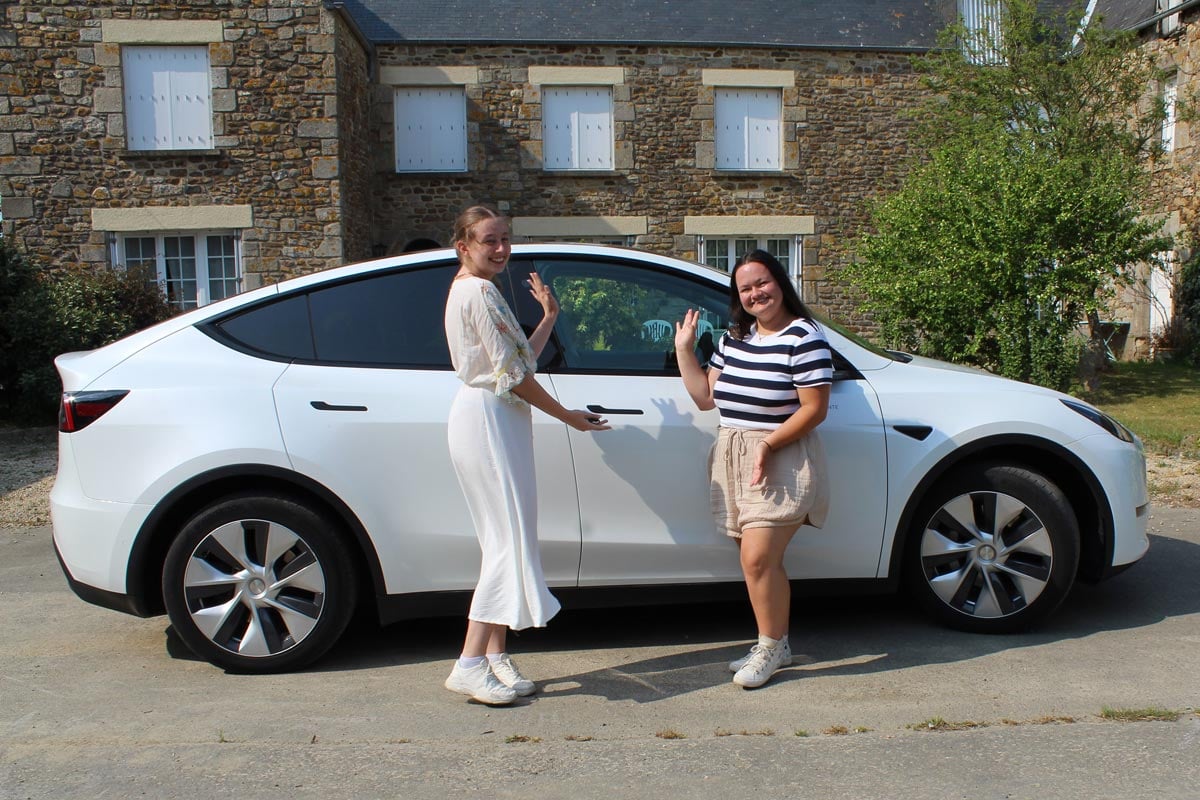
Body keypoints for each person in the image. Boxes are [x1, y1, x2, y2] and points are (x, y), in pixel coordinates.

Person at [442, 204, 611, 705]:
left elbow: (516, 362)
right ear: (464, 247)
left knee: (503, 536)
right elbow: (514, 378)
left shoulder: (472, 291)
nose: (500, 249)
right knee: (507, 540)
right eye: (488, 240)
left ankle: (494, 657)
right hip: (489, 419)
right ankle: (470, 662)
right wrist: (569, 417)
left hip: (491, 416)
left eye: (504, 239)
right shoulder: (478, 292)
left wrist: (549, 317)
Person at [674, 249, 833, 689]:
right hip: (734, 455)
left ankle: (769, 648)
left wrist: (768, 443)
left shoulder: (805, 337)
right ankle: (773, 642)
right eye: (745, 288)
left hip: (780, 456)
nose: (755, 294)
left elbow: (814, 409)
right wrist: (685, 351)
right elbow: (706, 397)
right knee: (757, 562)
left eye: (762, 283)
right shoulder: (734, 338)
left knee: (758, 557)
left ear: (780, 282)